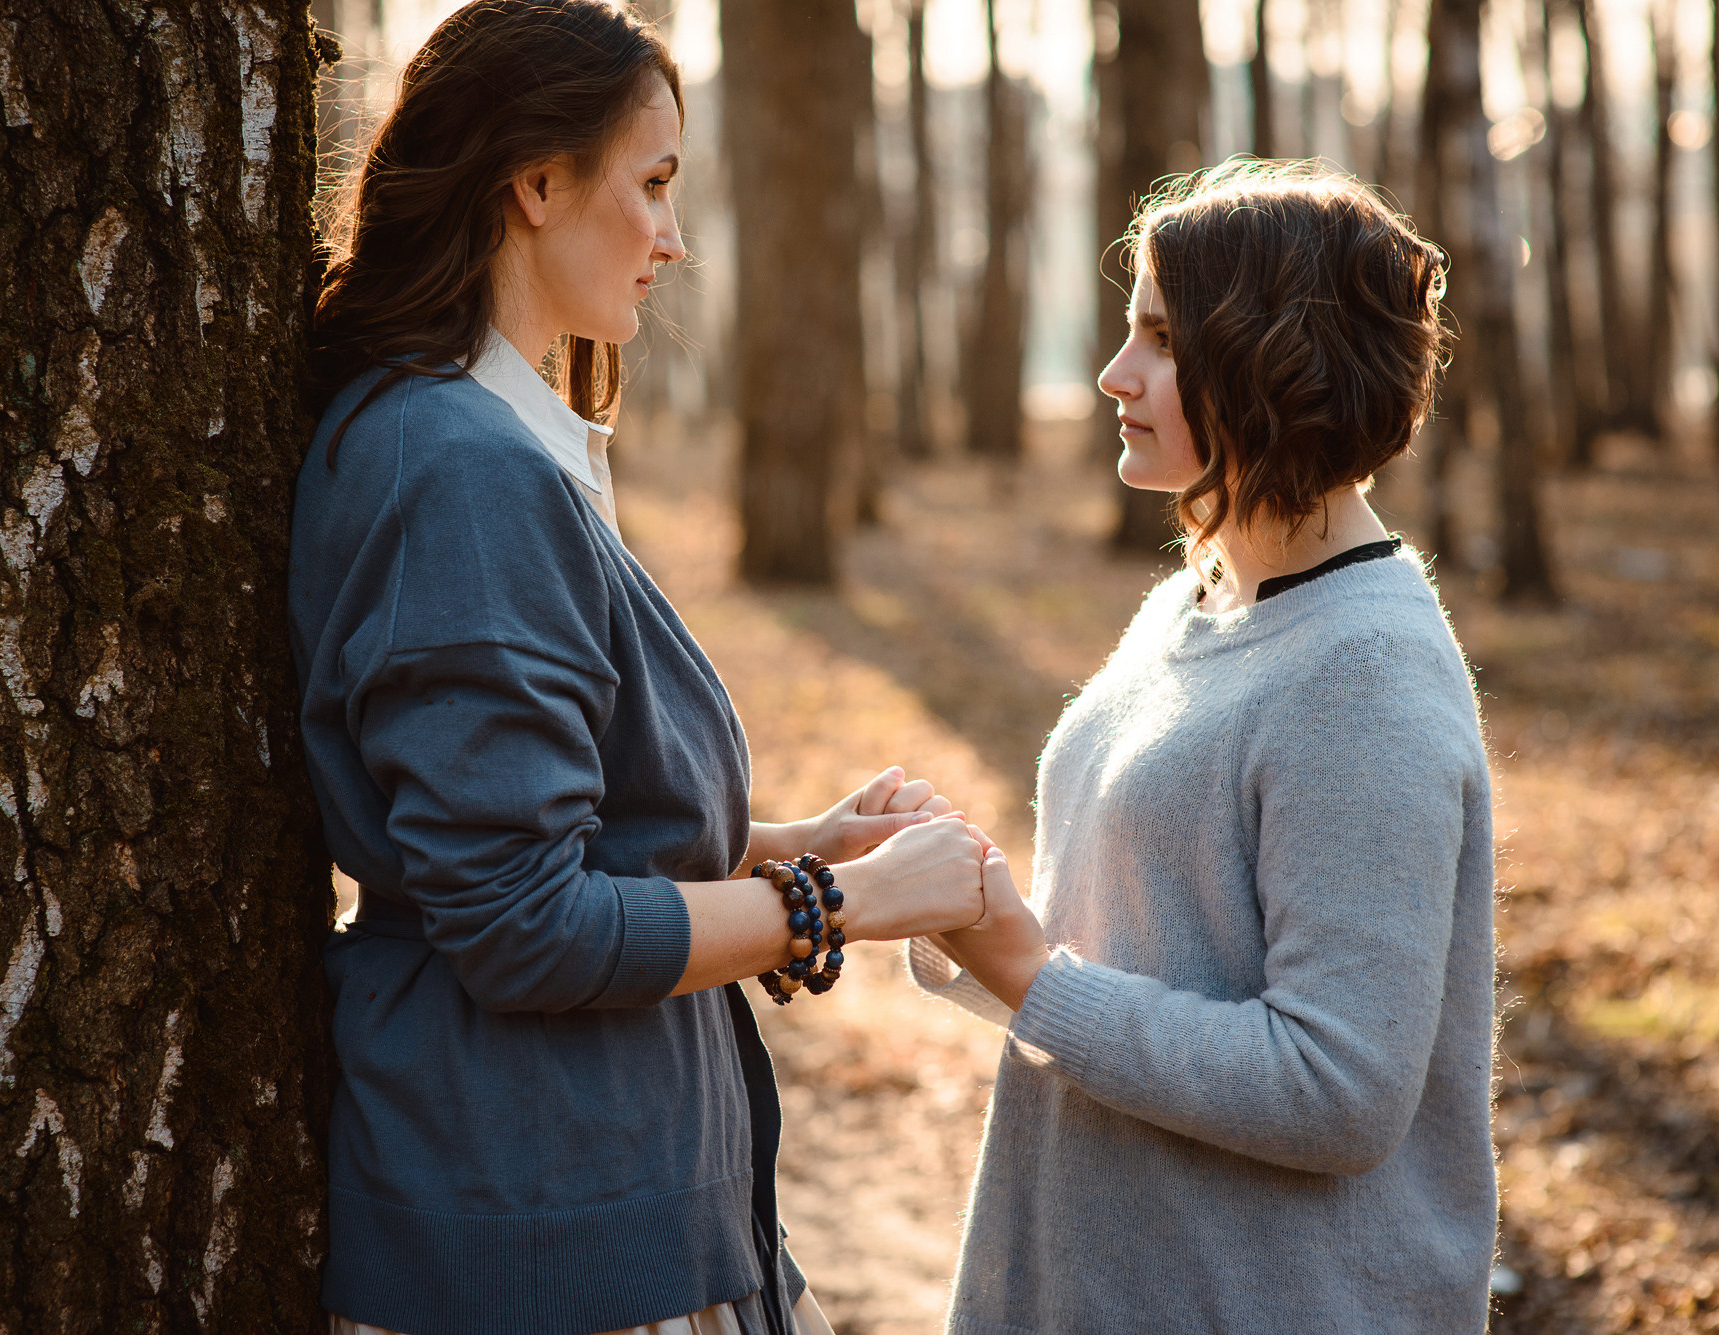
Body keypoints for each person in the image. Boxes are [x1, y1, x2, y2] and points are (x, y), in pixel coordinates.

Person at [288, 4, 989, 1332]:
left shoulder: (481, 435)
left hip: (591, 1183)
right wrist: (837, 899)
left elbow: (542, 829)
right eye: (653, 183)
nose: (673, 236)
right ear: (537, 181)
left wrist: (786, 843)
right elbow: (518, 918)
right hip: (543, 1222)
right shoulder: (460, 468)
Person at [914, 162, 1500, 1333]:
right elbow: (1153, 944)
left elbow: (1338, 1090)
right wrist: (964, 911)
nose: (1110, 374)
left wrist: (1029, 973)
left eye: (1158, 340)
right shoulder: (1199, 599)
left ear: (1273, 361)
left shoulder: (1363, 675)